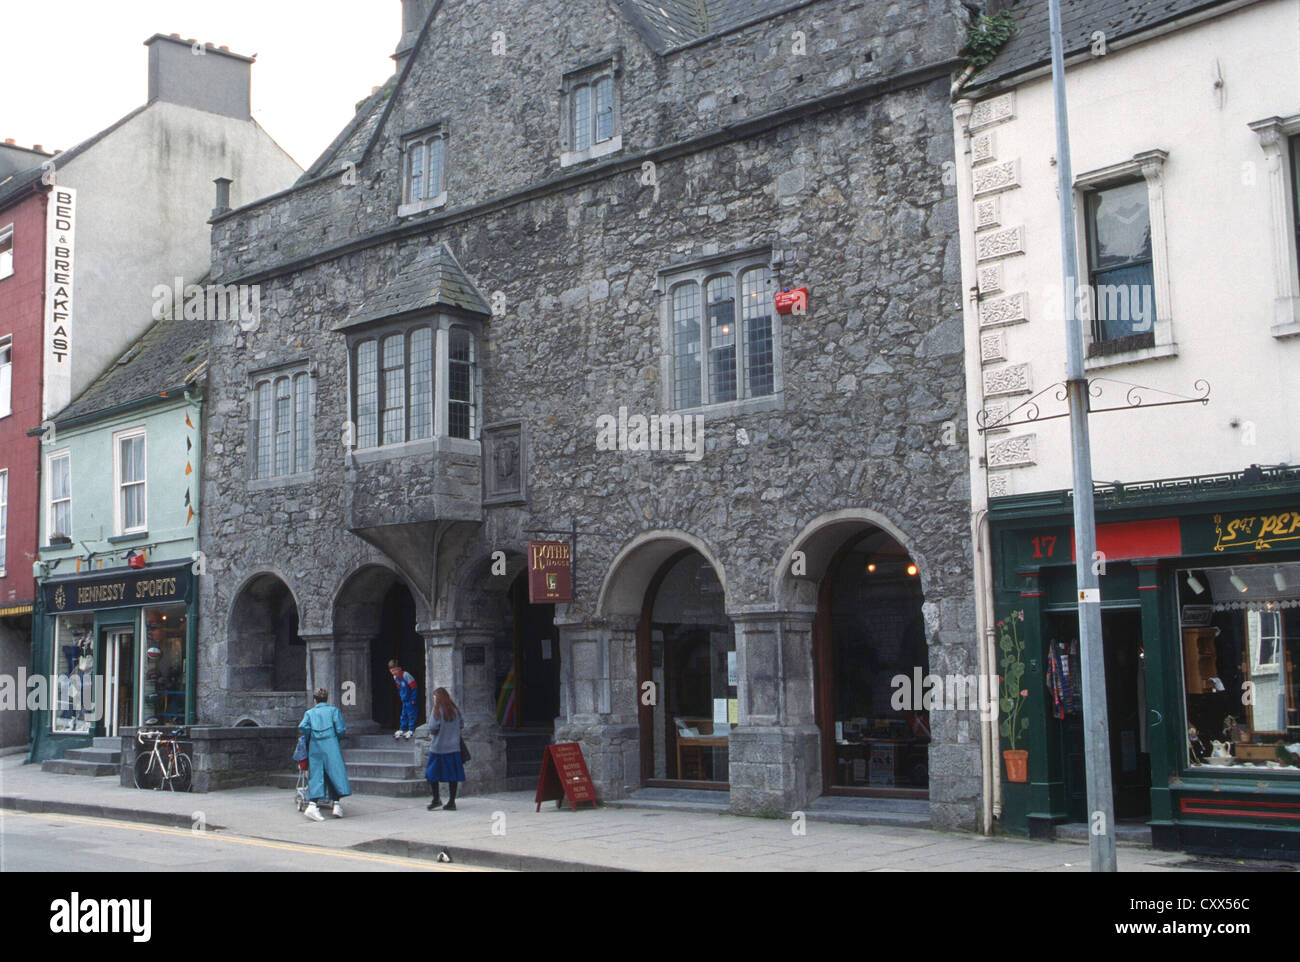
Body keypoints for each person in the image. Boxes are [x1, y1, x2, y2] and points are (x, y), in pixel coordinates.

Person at [298, 687, 352, 821]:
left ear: (315, 700)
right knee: (334, 772)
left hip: (315, 745)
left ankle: (312, 805)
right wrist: (335, 738)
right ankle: (337, 804)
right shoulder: (334, 710)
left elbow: (303, 727)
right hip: (331, 743)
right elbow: (340, 729)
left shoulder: (310, 713)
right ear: (327, 699)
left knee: (316, 773)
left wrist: (310, 736)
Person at [425, 687, 465, 811]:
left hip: (438, 747)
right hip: (454, 748)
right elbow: (461, 725)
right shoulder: (456, 710)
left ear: (438, 697)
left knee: (432, 774)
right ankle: (452, 801)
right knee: (453, 775)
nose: (434, 698)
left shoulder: (437, 711)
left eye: (435, 696)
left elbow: (432, 727)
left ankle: (436, 799)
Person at [388, 659, 419, 739]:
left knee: (411, 714)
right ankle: (402, 729)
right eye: (392, 670)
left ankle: (411, 729)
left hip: (410, 699)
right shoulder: (395, 677)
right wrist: (401, 696)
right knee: (403, 714)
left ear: (399, 668)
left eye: (395, 670)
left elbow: (414, 687)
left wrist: (413, 699)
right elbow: (399, 688)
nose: (394, 672)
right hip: (404, 699)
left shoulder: (406, 675)